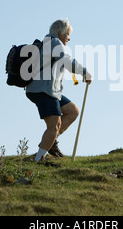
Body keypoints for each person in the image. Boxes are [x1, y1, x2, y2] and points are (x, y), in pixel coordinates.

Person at [26, 19, 92, 162]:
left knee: (72, 110)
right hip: (44, 90)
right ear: (61, 32)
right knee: (54, 125)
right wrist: (84, 71)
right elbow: (66, 61)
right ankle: (39, 159)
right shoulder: (53, 42)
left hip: (49, 90)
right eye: (68, 34)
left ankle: (51, 142)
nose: (69, 38)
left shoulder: (48, 43)